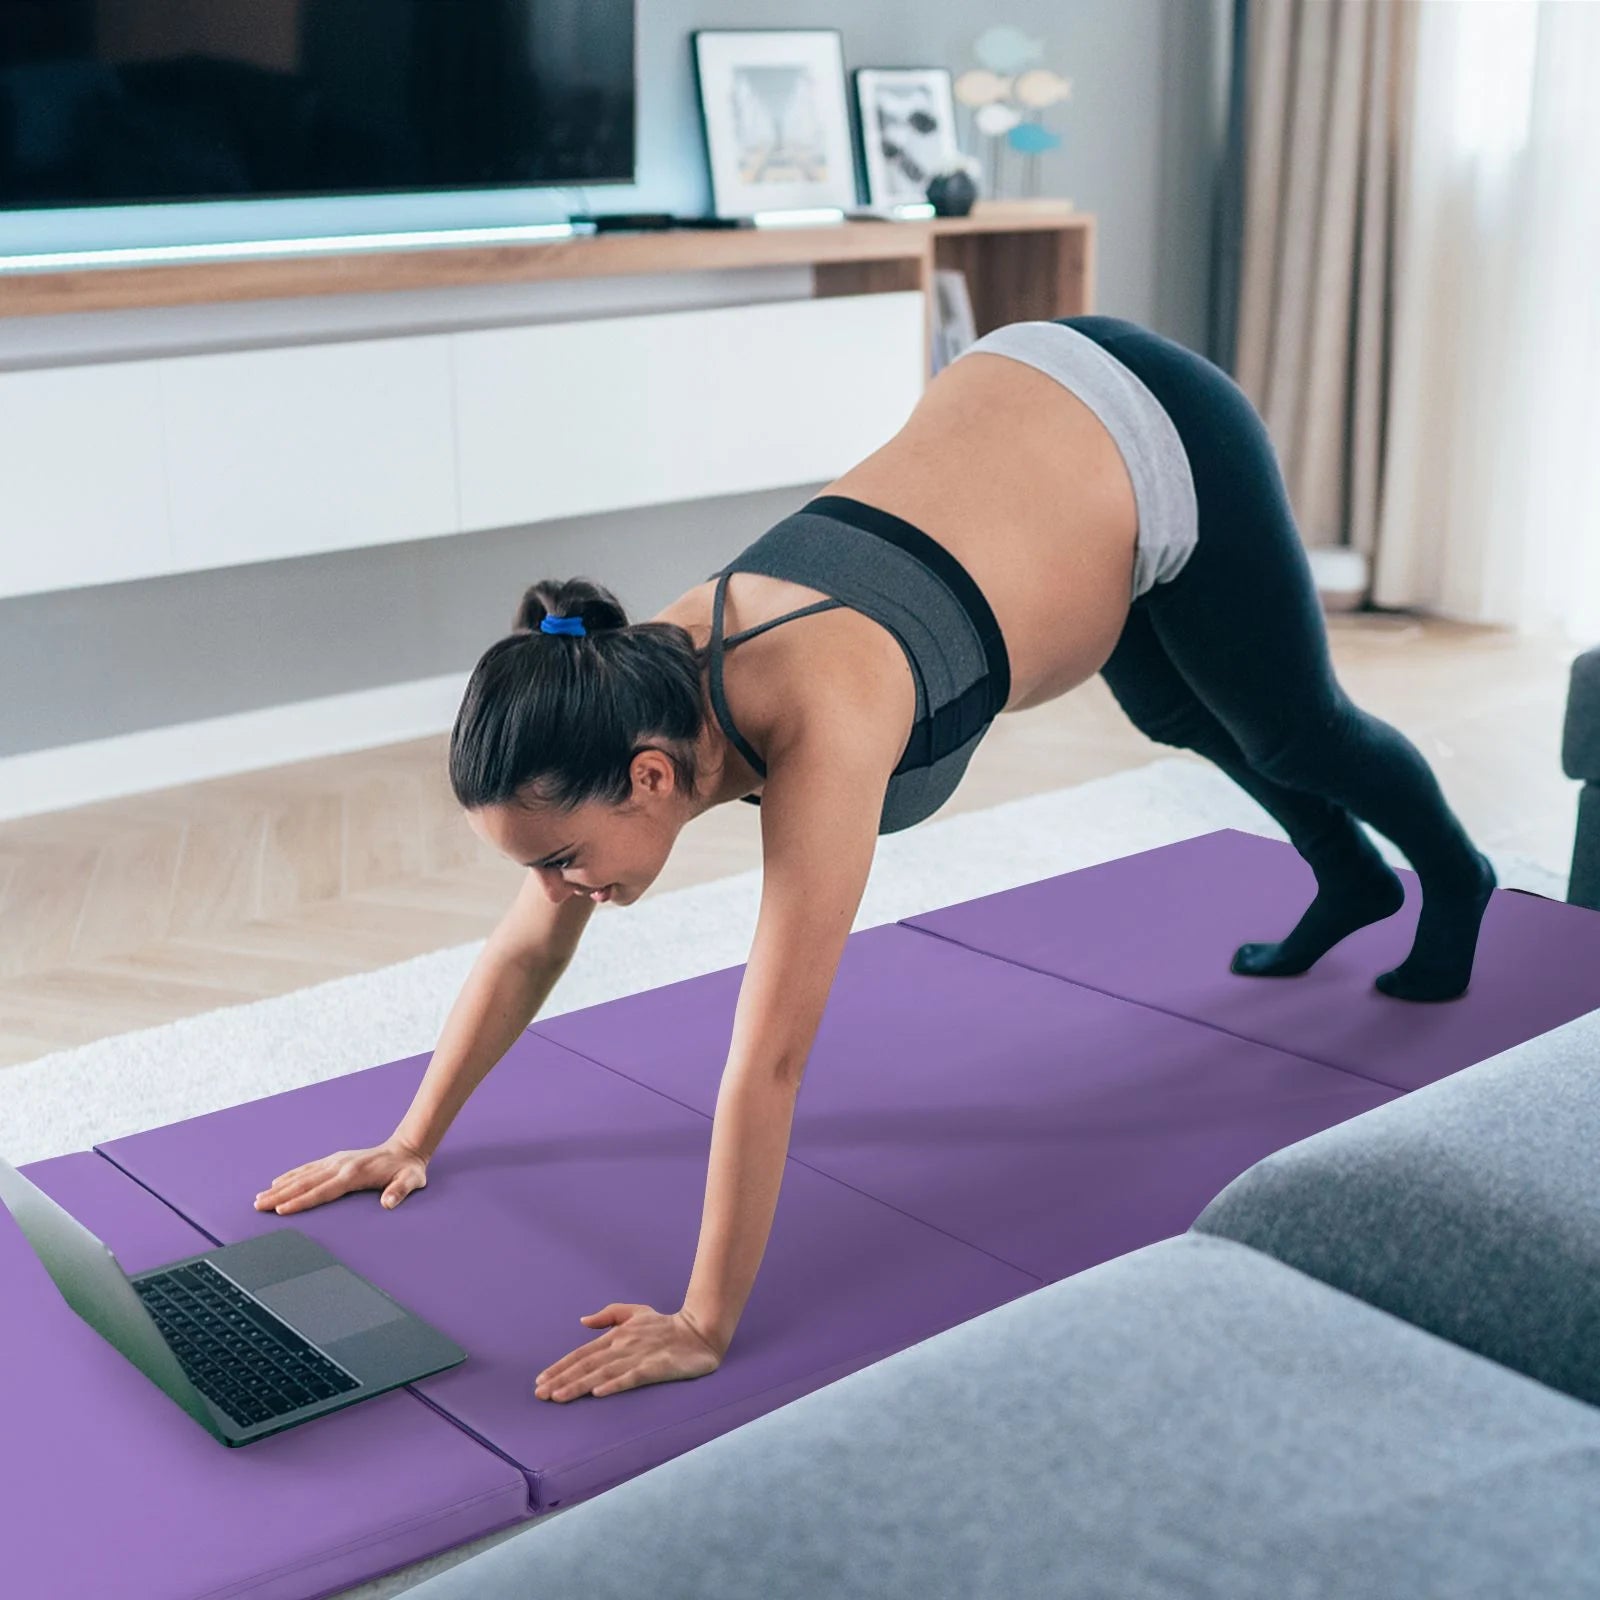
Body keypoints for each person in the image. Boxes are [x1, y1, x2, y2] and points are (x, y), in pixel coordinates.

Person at [251, 315, 1497, 1404]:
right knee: (1180, 712)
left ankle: (1452, 875)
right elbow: (529, 944)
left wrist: (702, 1322)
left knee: (1293, 724)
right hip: (1026, 433)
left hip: (1152, 425)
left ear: (646, 777)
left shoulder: (824, 716)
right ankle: (1348, 879)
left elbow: (772, 1054)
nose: (565, 887)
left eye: (566, 858)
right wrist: (409, 1136)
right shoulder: (622, 685)